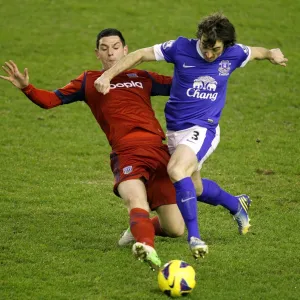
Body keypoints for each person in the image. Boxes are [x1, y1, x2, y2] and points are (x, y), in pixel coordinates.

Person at [94, 13, 288, 259]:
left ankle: (194, 237)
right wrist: (107, 75)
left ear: (226, 46)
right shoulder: (179, 47)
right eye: (206, 47)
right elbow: (140, 54)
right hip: (176, 130)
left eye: (215, 50)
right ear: (200, 38)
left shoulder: (235, 53)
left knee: (176, 171)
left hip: (204, 128)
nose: (209, 54)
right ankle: (235, 203)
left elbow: (258, 52)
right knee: (193, 188)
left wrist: (273, 53)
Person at [0, 28, 186, 271]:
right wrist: (27, 87)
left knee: (175, 229)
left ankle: (140, 228)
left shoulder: (142, 76)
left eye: (116, 47)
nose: (111, 53)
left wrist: (200, 69)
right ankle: (147, 248)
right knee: (135, 199)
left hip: (158, 151)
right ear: (97, 53)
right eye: (105, 48)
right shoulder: (88, 81)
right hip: (127, 152)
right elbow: (49, 100)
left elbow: (182, 88)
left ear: (126, 50)